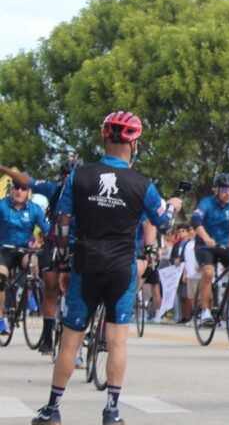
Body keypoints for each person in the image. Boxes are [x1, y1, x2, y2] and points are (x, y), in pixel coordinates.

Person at [32, 110, 183, 425]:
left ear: (104, 138)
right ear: (135, 144)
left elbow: (61, 225)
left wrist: (61, 266)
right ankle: (112, 411)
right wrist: (172, 205)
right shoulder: (143, 185)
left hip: (85, 264)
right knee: (117, 339)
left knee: (71, 336)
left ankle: (53, 408)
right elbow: (165, 223)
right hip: (121, 266)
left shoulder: (79, 176)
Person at [0, 159, 80, 353]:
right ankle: (47, 338)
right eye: (66, 177)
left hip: (77, 245)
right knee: (51, 289)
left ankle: (32, 287)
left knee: (75, 290)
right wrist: (3, 169)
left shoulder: (88, 194)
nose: (68, 181)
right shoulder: (54, 190)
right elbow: (26, 180)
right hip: (19, 248)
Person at [191, 172, 229, 326]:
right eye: (224, 190)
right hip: (205, 246)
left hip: (224, 245)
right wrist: (206, 238)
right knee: (209, 272)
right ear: (216, 190)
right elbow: (196, 220)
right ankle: (205, 311)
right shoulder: (206, 203)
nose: (228, 194)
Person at [0, 180, 50, 336]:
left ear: (28, 191)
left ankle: (30, 291)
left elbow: (47, 229)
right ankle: (0, 318)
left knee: (33, 265)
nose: (19, 191)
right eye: (16, 188)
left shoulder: (34, 209)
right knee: (1, 277)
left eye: (23, 188)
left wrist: (50, 241)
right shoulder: (2, 205)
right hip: (4, 249)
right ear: (12, 189)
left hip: (24, 250)